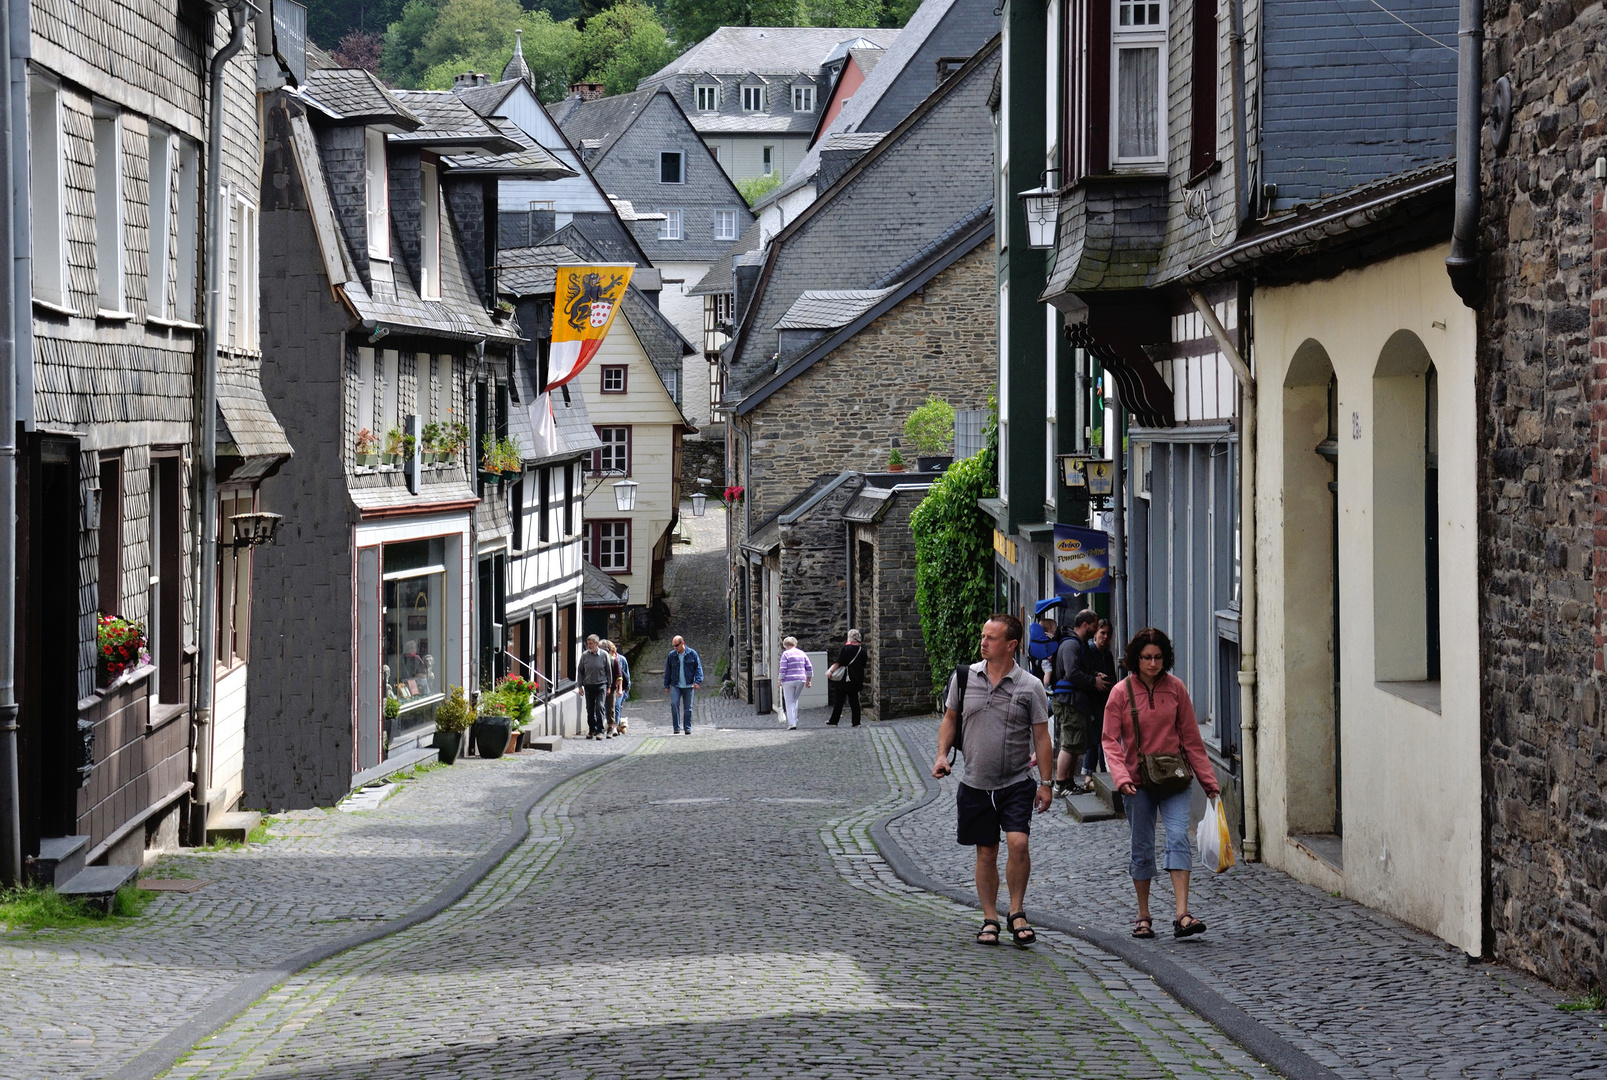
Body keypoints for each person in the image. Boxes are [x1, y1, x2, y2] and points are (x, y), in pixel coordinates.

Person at [932, 614, 1054, 948]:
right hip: (974, 782)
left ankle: (1016, 911)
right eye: (983, 636)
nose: (983, 642)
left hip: (1016, 782)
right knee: (986, 852)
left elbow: (1042, 738)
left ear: (1011, 645)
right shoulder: (964, 677)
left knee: (1018, 843)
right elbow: (950, 719)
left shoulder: (1030, 686)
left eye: (991, 638)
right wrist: (942, 755)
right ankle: (990, 917)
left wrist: (1047, 782)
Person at [1103, 627, 1219, 940]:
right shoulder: (1120, 693)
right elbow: (1110, 740)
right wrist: (1121, 777)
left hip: (1175, 779)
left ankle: (1182, 914)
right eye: (1146, 658)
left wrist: (1209, 782)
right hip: (1136, 783)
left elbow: (1192, 739)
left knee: (1179, 836)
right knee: (1141, 847)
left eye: (1157, 657)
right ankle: (1143, 915)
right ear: (1135, 659)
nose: (1152, 663)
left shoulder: (1176, 689)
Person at [1050, 609, 1109, 796]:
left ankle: (1067, 782)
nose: (1096, 627)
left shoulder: (1079, 644)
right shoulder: (1071, 645)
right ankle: (1060, 784)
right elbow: (1072, 673)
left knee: (1075, 744)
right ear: (1086, 625)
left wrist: (1093, 674)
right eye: (1094, 624)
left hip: (1075, 700)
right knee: (1069, 743)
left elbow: (1077, 671)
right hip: (1069, 701)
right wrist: (1094, 681)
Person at [1082, 620, 1117, 776]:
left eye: (1108, 633)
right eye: (1102, 633)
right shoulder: (1089, 651)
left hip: (1106, 700)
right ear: (1095, 633)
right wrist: (1095, 676)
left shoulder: (1108, 654)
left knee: (1105, 737)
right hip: (1092, 700)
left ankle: (1103, 772)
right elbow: (1083, 672)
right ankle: (1089, 773)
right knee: (1094, 739)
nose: (1105, 636)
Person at [826, 629, 867, 727]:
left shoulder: (845, 649)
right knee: (854, 701)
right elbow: (863, 665)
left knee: (839, 700)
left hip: (844, 679)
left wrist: (830, 671)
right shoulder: (862, 651)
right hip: (856, 679)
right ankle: (856, 722)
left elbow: (838, 662)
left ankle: (834, 721)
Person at [663, 636, 702, 734]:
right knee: (674, 704)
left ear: (682, 643)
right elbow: (668, 670)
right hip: (675, 685)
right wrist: (666, 685)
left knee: (688, 708)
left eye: (676, 645)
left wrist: (697, 681)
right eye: (673, 646)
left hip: (688, 685)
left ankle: (687, 727)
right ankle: (676, 727)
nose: (675, 648)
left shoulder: (692, 654)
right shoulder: (671, 656)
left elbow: (698, 668)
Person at [577, 634, 612, 740]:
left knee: (600, 707)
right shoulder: (584, 655)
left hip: (601, 684)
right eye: (588, 643)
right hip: (588, 685)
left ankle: (600, 731)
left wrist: (609, 686)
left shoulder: (604, 655)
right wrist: (580, 686)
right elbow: (580, 671)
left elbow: (608, 671)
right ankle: (592, 729)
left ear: (597, 644)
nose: (589, 645)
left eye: (591, 643)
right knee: (590, 709)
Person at [778, 636, 813, 730]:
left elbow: (782, 669)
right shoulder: (802, 653)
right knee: (795, 700)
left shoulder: (785, 654)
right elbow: (809, 667)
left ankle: (792, 723)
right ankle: (794, 719)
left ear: (785, 645)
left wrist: (779, 680)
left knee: (789, 701)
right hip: (801, 679)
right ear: (795, 644)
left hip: (788, 680)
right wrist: (808, 680)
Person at [600, 639, 622, 737]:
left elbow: (619, 676)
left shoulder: (614, 660)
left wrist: (620, 689)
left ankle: (610, 727)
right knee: (600, 707)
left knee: (610, 708)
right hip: (600, 686)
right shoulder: (598, 660)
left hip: (612, 687)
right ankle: (601, 727)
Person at [613, 644, 632, 735]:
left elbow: (626, 675)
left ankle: (615, 727)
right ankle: (611, 726)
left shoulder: (622, 660)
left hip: (620, 688)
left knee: (617, 706)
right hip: (610, 687)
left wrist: (627, 688)